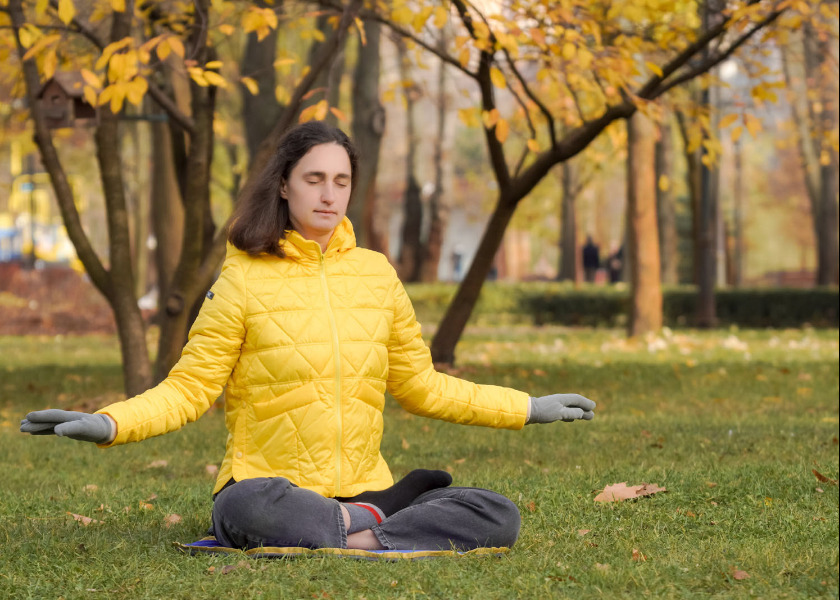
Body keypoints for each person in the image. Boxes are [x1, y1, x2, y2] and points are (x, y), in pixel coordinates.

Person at [20, 122, 595, 553]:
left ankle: (356, 530)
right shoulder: (242, 278)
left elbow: (422, 387)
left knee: (497, 514)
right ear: (285, 188)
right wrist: (110, 423)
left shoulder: (376, 273)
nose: (329, 194)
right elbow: (190, 389)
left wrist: (527, 408)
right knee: (245, 507)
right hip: (274, 490)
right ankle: (380, 532)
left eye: (341, 181)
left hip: (363, 490)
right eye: (314, 179)